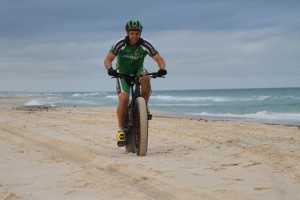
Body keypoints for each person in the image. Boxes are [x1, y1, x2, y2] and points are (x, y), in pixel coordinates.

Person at [104, 20, 167, 147]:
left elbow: (159, 58)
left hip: (138, 71)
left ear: (140, 33)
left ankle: (143, 105)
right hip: (122, 73)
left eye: (137, 33)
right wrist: (110, 69)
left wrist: (162, 69)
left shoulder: (145, 44)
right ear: (127, 33)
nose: (135, 36)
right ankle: (121, 130)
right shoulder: (120, 43)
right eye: (132, 33)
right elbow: (108, 59)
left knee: (146, 77)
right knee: (124, 98)